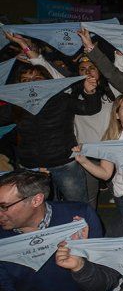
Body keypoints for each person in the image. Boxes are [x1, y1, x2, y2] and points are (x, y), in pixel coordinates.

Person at [0, 170, 104, 291]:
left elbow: (102, 273)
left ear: (36, 199)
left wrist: (82, 258)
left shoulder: (78, 216)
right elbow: (4, 285)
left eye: (4, 206)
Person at [0, 60, 101, 203]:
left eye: (37, 79)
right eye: (26, 80)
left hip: (64, 163)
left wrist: (90, 92)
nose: (32, 83)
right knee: (35, 208)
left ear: (48, 81)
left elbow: (90, 108)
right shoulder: (17, 105)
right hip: (31, 167)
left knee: (79, 205)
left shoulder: (62, 99)